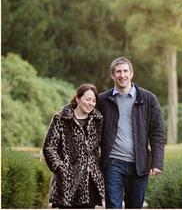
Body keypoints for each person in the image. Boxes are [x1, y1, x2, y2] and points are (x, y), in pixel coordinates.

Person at [97, 56, 165, 208]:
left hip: (139, 165)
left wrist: (157, 162)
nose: (122, 75)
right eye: (118, 71)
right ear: (112, 75)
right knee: (113, 205)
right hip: (112, 163)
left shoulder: (148, 99)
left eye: (125, 71)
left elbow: (158, 133)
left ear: (131, 73)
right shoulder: (102, 100)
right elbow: (84, 114)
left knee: (134, 206)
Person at [42, 83, 105, 209]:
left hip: (90, 180)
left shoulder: (98, 120)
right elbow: (49, 147)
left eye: (93, 100)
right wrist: (62, 169)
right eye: (87, 99)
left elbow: (104, 145)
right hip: (66, 182)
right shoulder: (61, 119)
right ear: (77, 98)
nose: (91, 103)